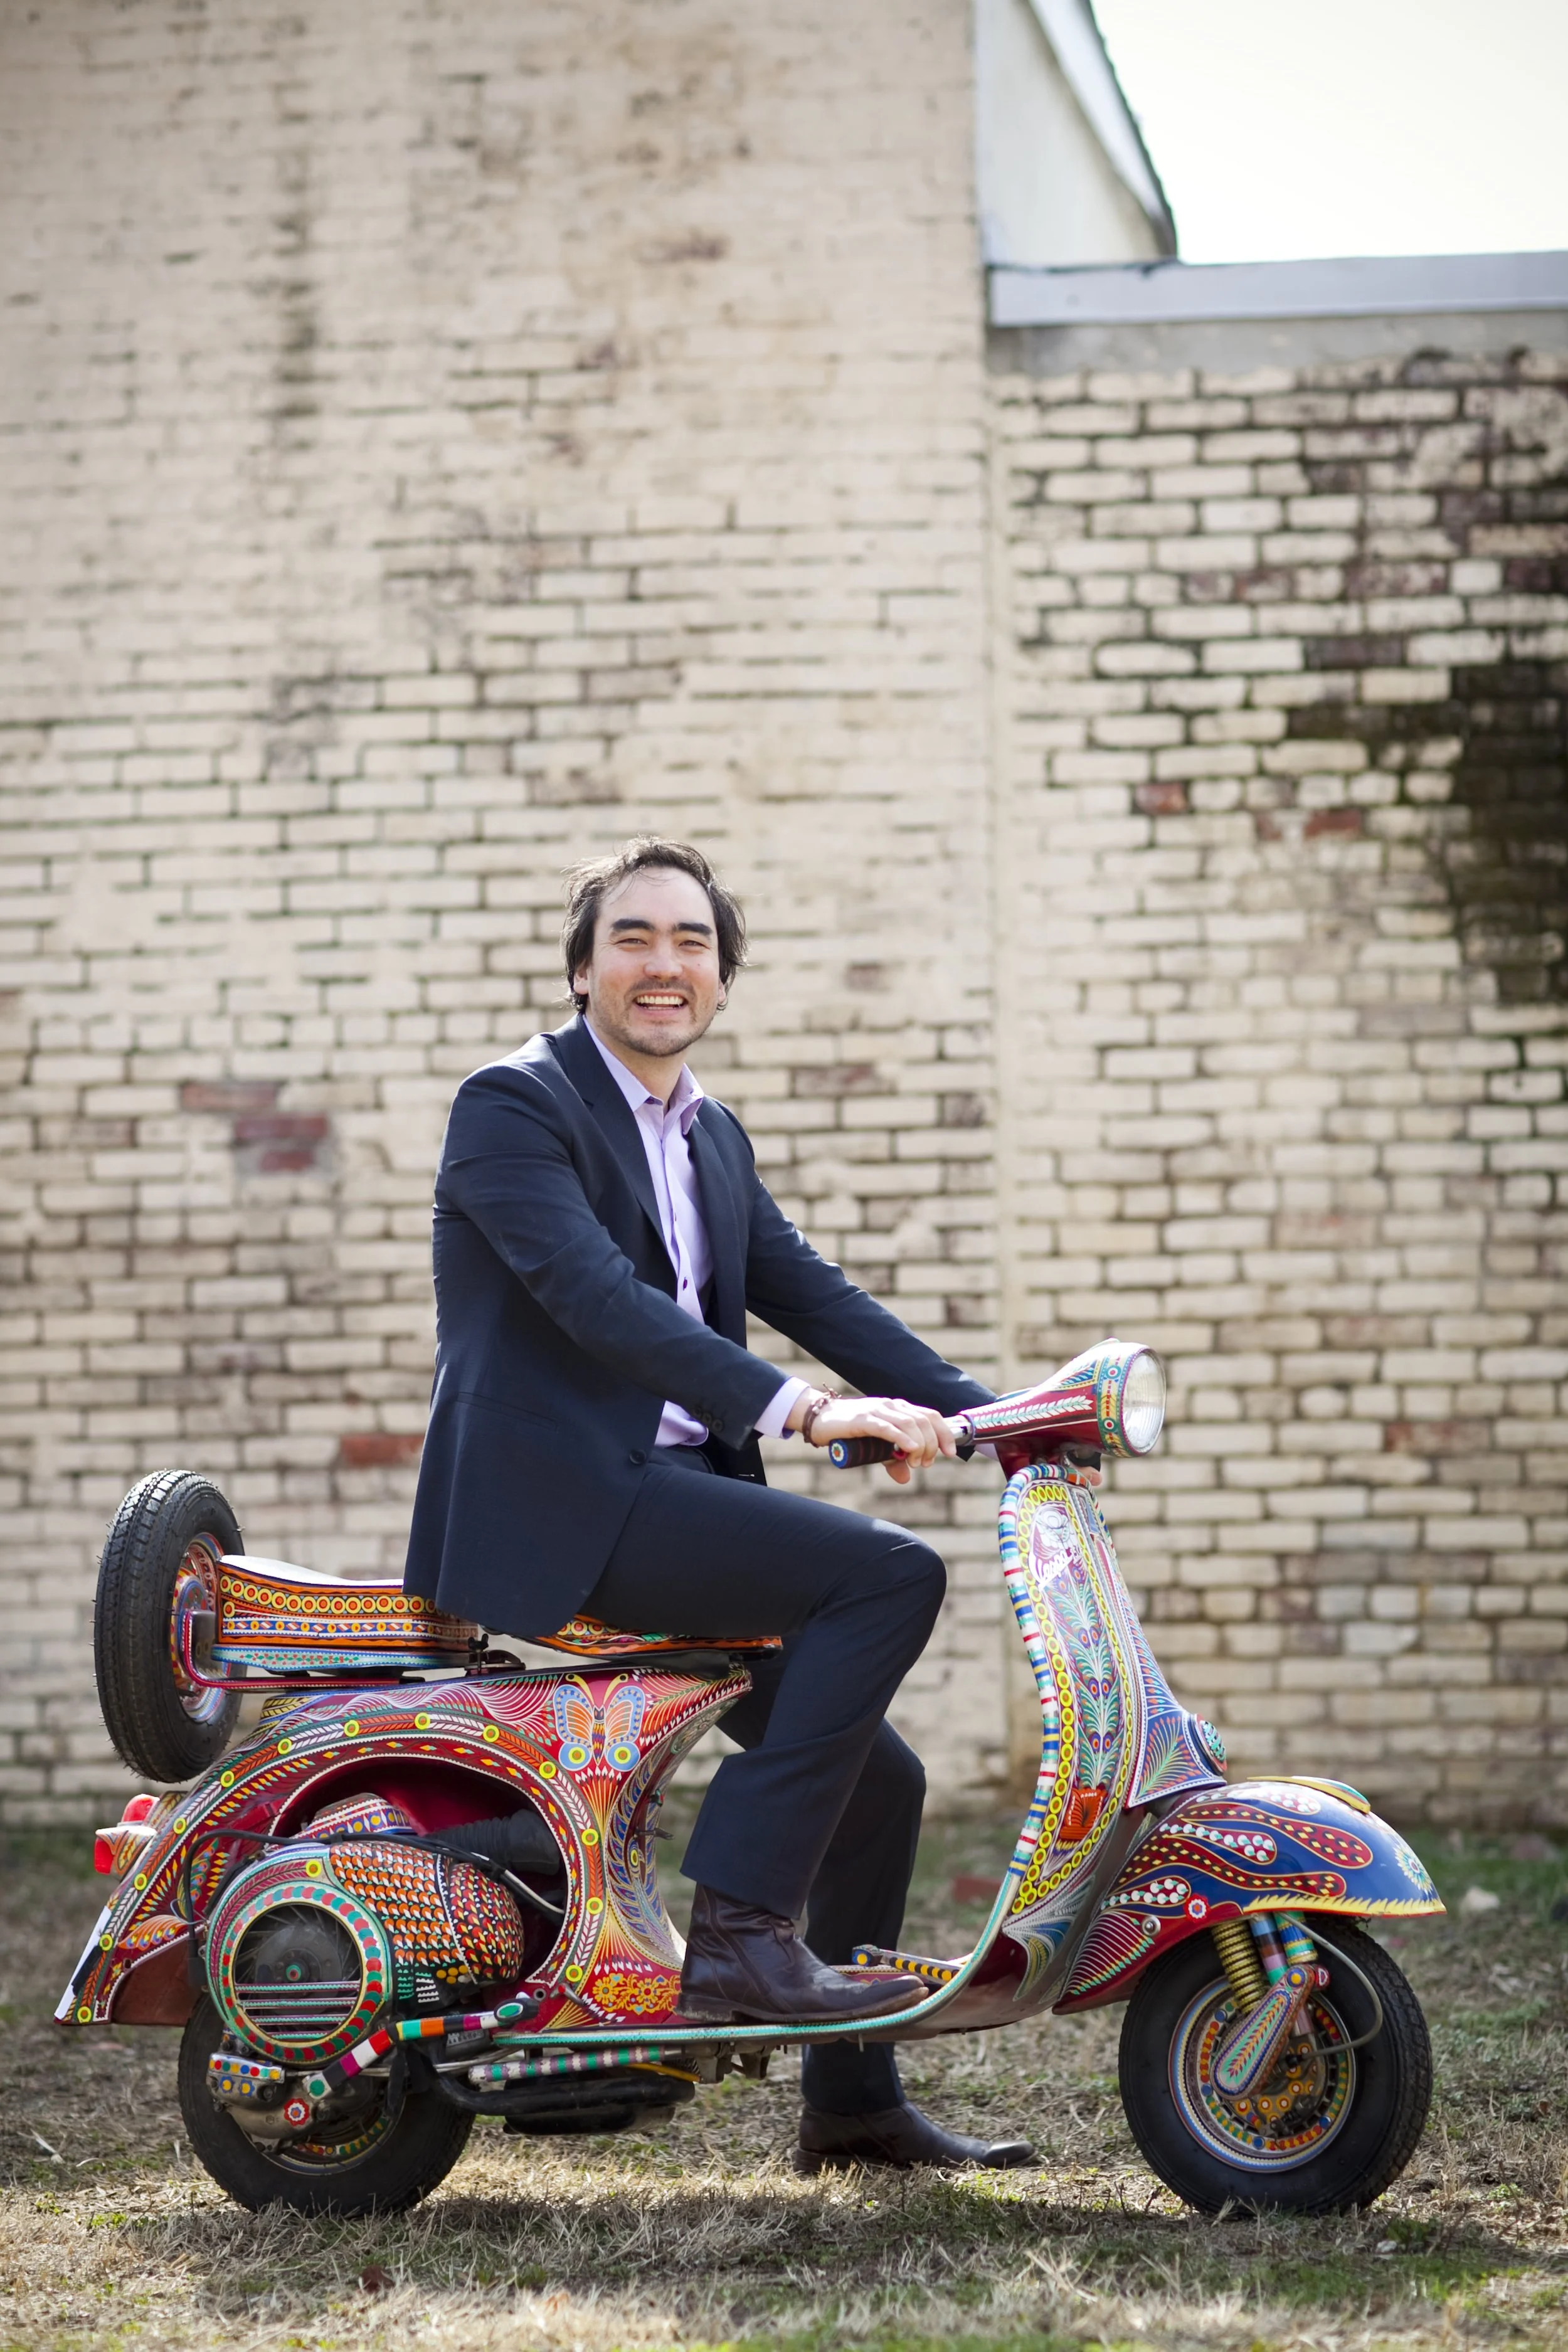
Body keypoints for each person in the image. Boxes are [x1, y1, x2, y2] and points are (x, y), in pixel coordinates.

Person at [405, 837, 1032, 2173]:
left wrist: (996, 1421)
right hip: (573, 1506)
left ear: (721, 979)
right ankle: (745, 1936)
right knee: (882, 1575)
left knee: (880, 1786)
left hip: (679, 1497)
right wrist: (806, 1412)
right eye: (631, 938)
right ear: (582, 971)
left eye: (690, 941)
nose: (662, 964)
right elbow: (595, 1300)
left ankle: (852, 2107)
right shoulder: (512, 1106)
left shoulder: (711, 1135)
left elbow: (808, 1291)